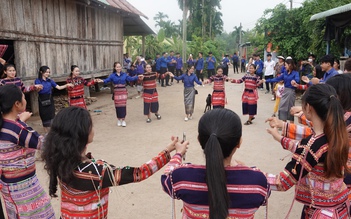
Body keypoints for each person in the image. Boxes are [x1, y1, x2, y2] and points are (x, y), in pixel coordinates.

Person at [42, 106, 188, 219]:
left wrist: (168, 150)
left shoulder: (60, 160)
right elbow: (140, 172)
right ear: (82, 133)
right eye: (90, 125)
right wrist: (174, 154)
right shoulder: (97, 172)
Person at [161, 108, 269, 219]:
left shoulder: (182, 177)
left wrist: (178, 154)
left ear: (200, 140)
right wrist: (242, 168)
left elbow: (166, 179)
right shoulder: (258, 182)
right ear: (239, 142)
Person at [265, 84, 350, 218]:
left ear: (308, 108)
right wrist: (279, 137)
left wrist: (252, 176)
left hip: (319, 213)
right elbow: (310, 156)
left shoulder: (311, 144)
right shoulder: (338, 135)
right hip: (340, 209)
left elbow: (283, 182)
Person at [0, 84, 55, 218]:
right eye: (24, 98)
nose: (26, 100)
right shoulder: (18, 130)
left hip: (8, 185)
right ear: (17, 104)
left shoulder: (5, 124)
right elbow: (44, 144)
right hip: (24, 185)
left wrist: (20, 120)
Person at [96, 62, 140, 127]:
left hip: (123, 92)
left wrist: (138, 77)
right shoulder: (112, 75)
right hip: (117, 92)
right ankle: (119, 119)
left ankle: (123, 120)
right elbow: (107, 80)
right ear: (115, 68)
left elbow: (131, 79)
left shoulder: (124, 75)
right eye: (117, 67)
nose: (119, 68)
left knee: (123, 106)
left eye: (119, 67)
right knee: (117, 106)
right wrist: (101, 80)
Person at [35, 66, 73, 132]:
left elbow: (59, 87)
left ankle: (52, 131)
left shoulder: (50, 81)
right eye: (46, 72)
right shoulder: (37, 81)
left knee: (51, 114)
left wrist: (66, 85)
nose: (48, 73)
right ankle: (46, 132)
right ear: (41, 72)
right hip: (42, 99)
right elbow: (37, 90)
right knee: (44, 116)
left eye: (49, 72)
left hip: (49, 98)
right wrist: (38, 88)